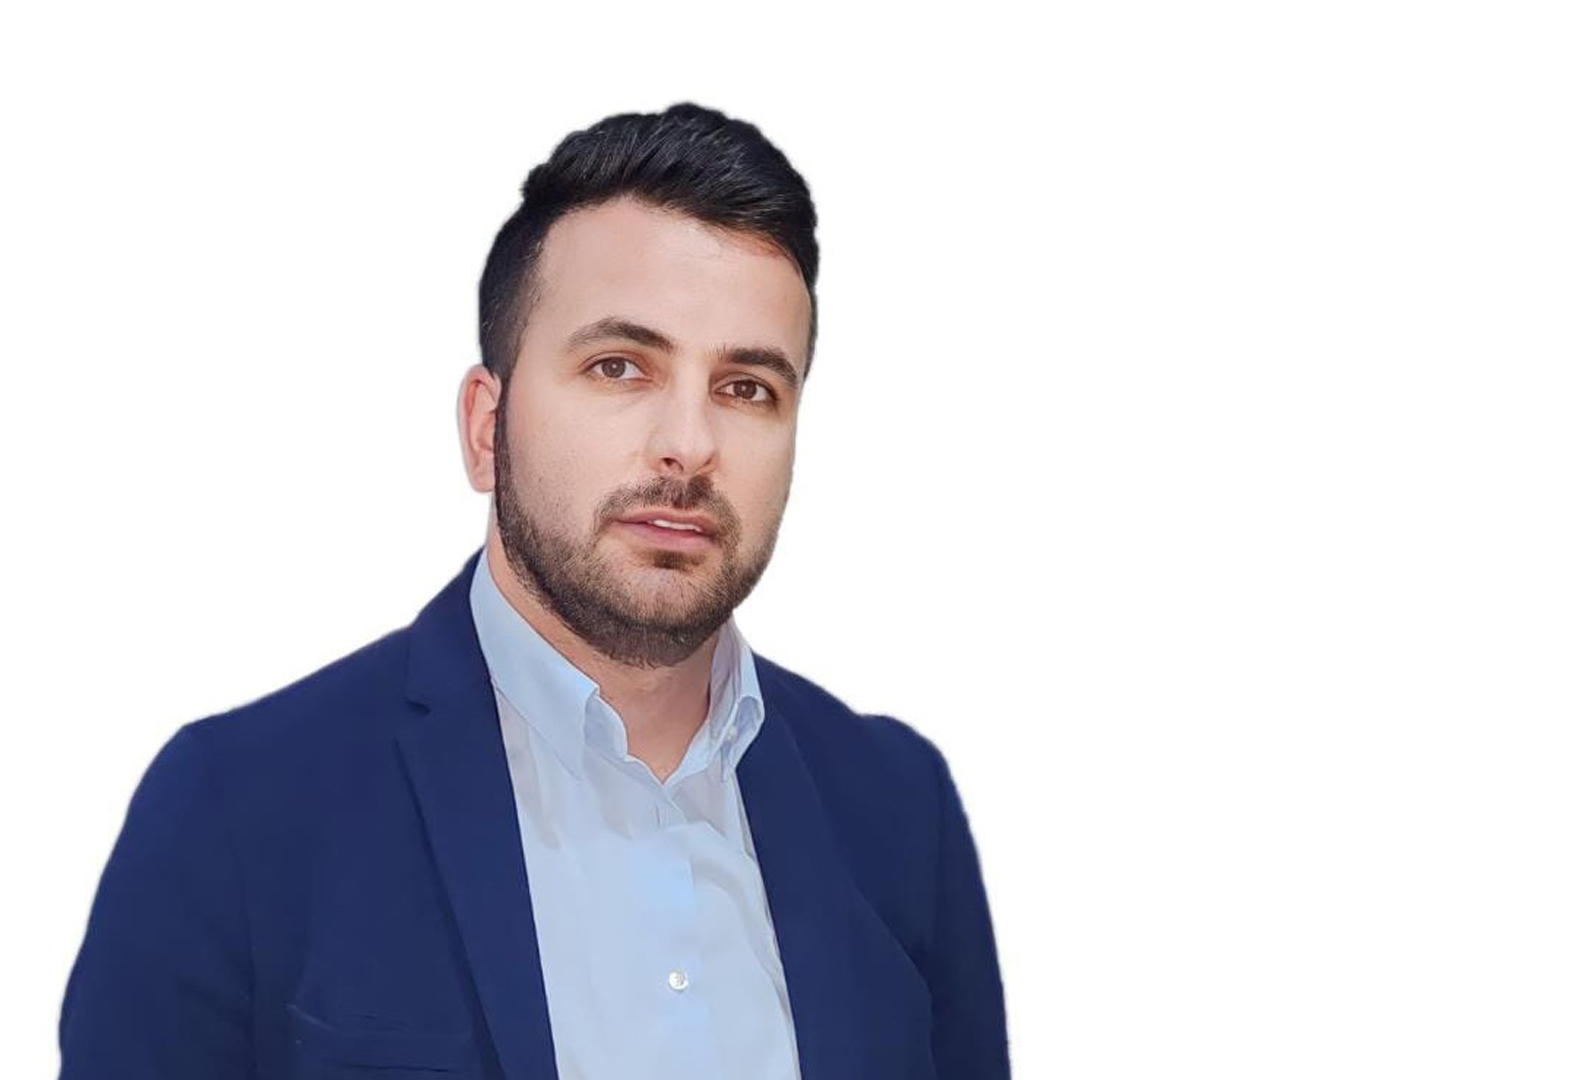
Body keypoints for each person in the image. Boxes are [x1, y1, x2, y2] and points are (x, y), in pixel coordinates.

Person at [58, 101, 1011, 1080]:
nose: (690, 443)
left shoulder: (899, 809)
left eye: (747, 387)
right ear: (487, 427)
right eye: (619, 366)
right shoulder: (235, 810)